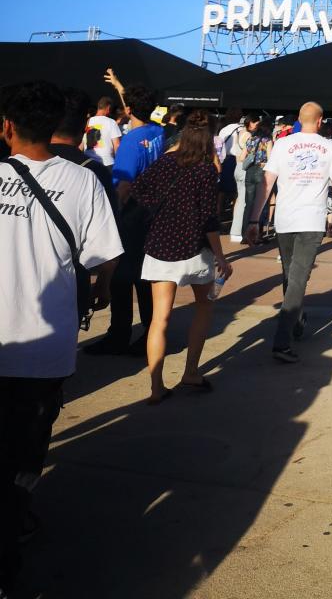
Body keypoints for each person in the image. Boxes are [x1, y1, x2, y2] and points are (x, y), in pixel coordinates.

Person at [0, 81, 122, 592]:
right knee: (24, 457)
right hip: (45, 349)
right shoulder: (82, 181)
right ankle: (11, 541)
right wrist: (99, 294)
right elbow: (105, 256)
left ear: (5, 126)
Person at [135, 112, 232, 403]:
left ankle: (155, 386)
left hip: (160, 249)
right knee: (204, 305)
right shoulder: (205, 171)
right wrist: (221, 258)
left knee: (159, 319)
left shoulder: (163, 163)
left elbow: (139, 192)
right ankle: (190, 371)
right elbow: (209, 220)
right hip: (195, 251)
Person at [245, 102, 332, 363]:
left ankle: (296, 318)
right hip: (311, 218)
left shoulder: (282, 144)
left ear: (301, 119)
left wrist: (255, 219)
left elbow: (267, 183)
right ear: (321, 120)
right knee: (297, 278)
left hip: (285, 219)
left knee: (291, 275)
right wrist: (327, 187)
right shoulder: (329, 146)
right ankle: (282, 340)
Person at [85, 83, 165, 356]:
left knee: (120, 275)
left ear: (128, 109)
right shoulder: (159, 132)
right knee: (145, 275)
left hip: (131, 211)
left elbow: (123, 184)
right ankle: (149, 333)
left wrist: (112, 216)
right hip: (153, 210)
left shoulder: (132, 140)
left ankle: (119, 334)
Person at [228, 115, 260, 241]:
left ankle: (235, 231)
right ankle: (237, 232)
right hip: (245, 168)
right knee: (243, 201)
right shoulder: (248, 136)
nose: (257, 125)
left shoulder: (239, 133)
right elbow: (250, 153)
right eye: (256, 122)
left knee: (240, 199)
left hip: (238, 168)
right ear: (250, 123)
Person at [85, 96, 121, 170]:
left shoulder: (88, 121)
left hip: (88, 162)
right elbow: (117, 145)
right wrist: (120, 164)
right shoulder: (111, 122)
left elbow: (83, 142)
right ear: (108, 108)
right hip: (107, 163)